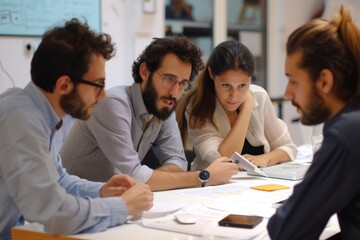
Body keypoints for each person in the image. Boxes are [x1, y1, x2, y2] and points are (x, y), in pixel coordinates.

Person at [0, 19, 153, 240]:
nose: (103, 96)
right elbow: (55, 213)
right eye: (98, 85)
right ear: (64, 85)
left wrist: (101, 191)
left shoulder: (33, 111)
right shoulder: (20, 119)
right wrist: (122, 207)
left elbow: (59, 180)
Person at [60, 36, 238, 191]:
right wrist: (204, 176)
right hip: (74, 202)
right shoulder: (113, 103)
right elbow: (136, 175)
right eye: (169, 79)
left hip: (114, 199)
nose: (175, 92)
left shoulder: (162, 106)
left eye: (183, 83)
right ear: (144, 72)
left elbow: (178, 162)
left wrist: (146, 180)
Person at [267, 6, 360, 239]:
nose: (287, 94)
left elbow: (288, 230)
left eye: (293, 81)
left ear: (324, 81)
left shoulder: (347, 134)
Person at [176, 40, 297, 171]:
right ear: (211, 74)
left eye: (243, 85)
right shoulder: (197, 106)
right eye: (226, 85)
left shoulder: (259, 96)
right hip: (212, 188)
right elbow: (225, 159)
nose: (234, 96)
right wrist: (247, 107)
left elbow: (289, 148)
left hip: (256, 187)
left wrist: (265, 158)